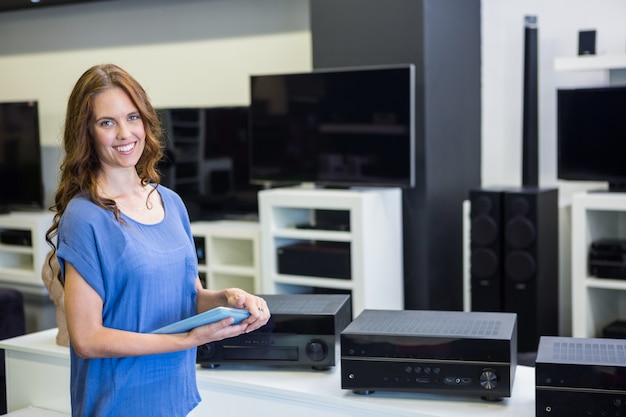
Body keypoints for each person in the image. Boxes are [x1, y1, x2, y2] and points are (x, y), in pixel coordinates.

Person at [45, 63, 270, 417]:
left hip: (174, 399)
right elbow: (87, 339)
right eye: (107, 122)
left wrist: (227, 298)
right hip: (119, 405)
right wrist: (186, 341)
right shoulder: (85, 216)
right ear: (86, 133)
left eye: (132, 117)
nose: (124, 133)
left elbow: (189, 298)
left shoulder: (172, 202)